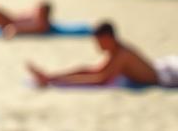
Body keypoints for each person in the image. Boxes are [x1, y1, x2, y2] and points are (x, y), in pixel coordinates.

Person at [26, 21, 169, 88]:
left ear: (108, 38)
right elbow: (94, 71)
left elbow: (101, 79)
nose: (98, 46)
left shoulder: (122, 54)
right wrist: (52, 76)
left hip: (165, 79)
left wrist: (57, 82)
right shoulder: (116, 51)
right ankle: (48, 75)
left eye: (99, 41)